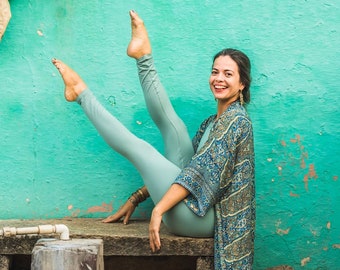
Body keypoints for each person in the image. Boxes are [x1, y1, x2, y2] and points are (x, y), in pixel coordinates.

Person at [52, 10, 255, 270]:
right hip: (197, 210)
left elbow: (198, 175)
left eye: (228, 74)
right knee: (175, 131)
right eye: (215, 72)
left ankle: (81, 93)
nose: (218, 79)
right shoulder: (213, 122)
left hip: (210, 220)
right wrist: (138, 197)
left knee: (141, 150)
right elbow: (181, 169)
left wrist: (158, 211)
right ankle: (142, 56)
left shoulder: (236, 121)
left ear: (242, 85)